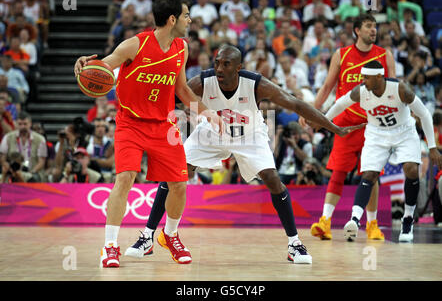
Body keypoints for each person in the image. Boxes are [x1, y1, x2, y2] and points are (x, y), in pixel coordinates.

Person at [124, 44, 365, 264]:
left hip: (249, 135)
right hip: (211, 131)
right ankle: (148, 237)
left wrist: (333, 127)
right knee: (174, 175)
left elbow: (296, 104)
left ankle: (294, 244)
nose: (219, 67)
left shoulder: (256, 84)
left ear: (239, 67)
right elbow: (168, 94)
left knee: (273, 179)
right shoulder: (203, 82)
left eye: (226, 64)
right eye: (217, 62)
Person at [74, 0, 223, 268]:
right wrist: (85, 64)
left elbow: (181, 90)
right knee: (126, 178)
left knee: (179, 184)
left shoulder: (182, 48)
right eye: (187, 15)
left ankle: (170, 235)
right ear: (172, 19)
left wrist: (208, 113)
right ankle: (109, 246)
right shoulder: (135, 44)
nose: (190, 20)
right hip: (130, 123)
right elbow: (104, 66)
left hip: (163, 125)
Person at [300, 14, 396, 241]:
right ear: (357, 31)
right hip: (344, 124)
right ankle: (325, 222)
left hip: (373, 125)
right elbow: (326, 87)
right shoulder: (341, 54)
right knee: (338, 172)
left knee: (371, 174)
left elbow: (394, 89)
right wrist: (312, 111)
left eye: (375, 27)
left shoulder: (385, 55)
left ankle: (372, 224)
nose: (373, 30)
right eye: (368, 26)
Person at [323, 60, 442, 242]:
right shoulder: (362, 91)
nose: (363, 81)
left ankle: (408, 218)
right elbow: (340, 104)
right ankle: (354, 219)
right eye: (363, 77)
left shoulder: (401, 89)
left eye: (367, 78)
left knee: (411, 169)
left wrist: (432, 147)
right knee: (369, 174)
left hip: (404, 131)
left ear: (379, 77)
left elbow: (424, 114)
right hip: (377, 134)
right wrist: (324, 120)